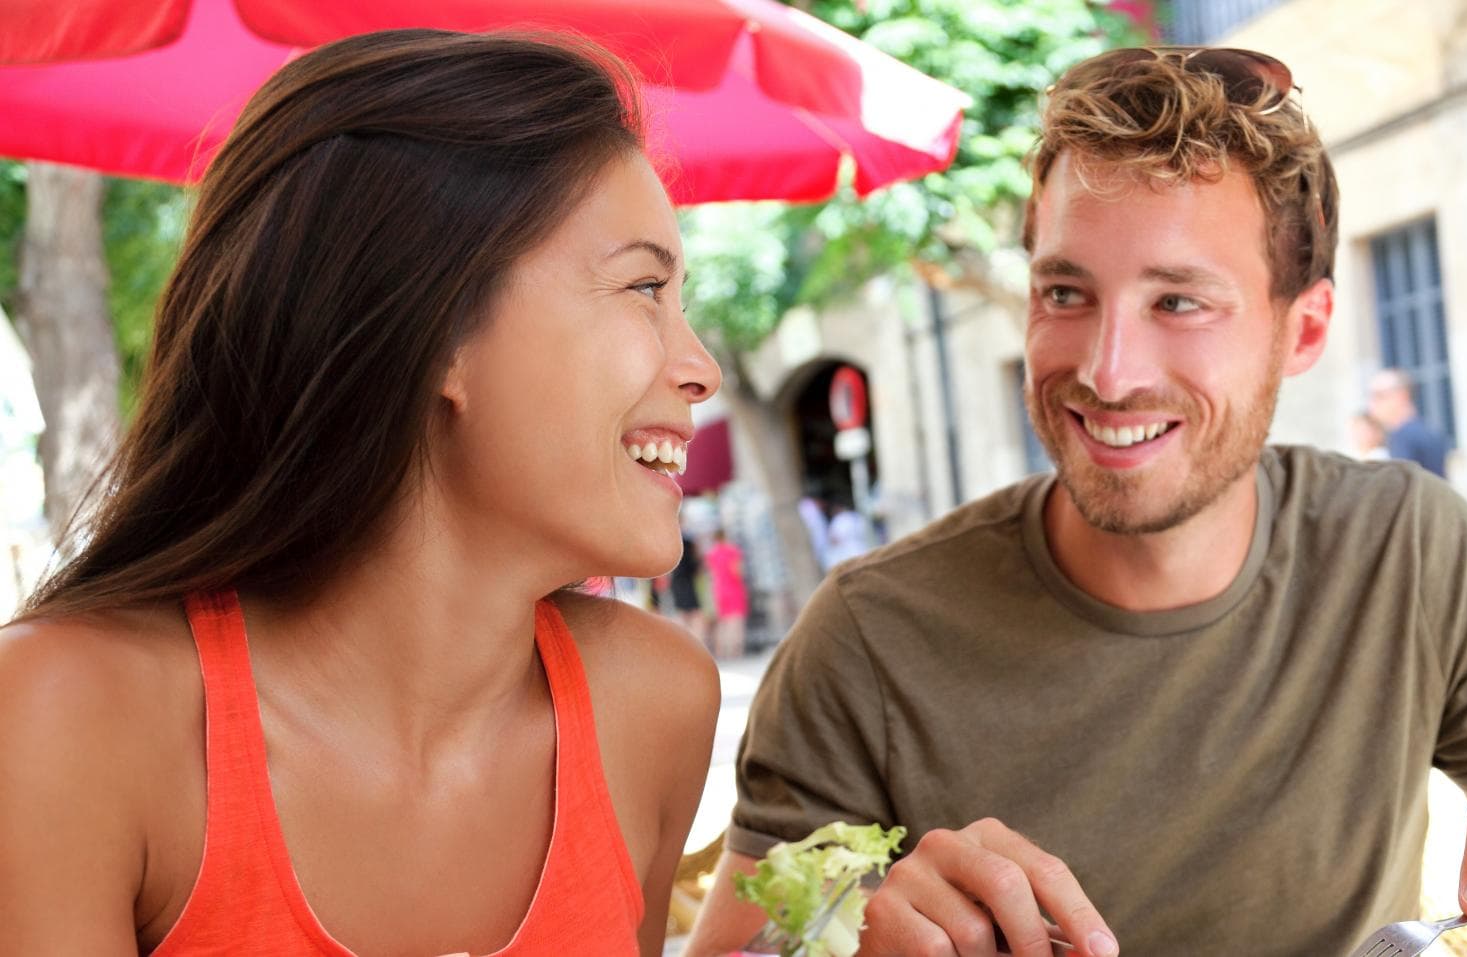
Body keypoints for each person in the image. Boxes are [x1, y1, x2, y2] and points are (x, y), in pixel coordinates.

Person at [687, 44, 1467, 957]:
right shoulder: (868, 637)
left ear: (1300, 332)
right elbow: (741, 947)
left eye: (1177, 302)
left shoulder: (1407, 550)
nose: (1106, 367)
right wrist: (850, 943)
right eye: (1064, 293)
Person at [0, 31, 723, 953]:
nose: (698, 368)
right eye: (645, 287)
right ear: (438, 331)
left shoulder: (654, 703)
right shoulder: (69, 718)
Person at [1369, 367, 1451, 478]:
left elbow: (1400, 486)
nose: (1372, 404)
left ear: (1402, 395)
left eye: (1379, 396)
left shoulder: (1403, 437)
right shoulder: (1426, 430)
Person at [706, 530, 749, 659]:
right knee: (736, 621)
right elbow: (736, 571)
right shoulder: (733, 551)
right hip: (734, 588)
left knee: (723, 622)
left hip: (719, 590)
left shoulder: (711, 553)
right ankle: (736, 651)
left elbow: (711, 574)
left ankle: (722, 651)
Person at [822, 499, 877, 568]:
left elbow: (834, 539)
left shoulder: (838, 520)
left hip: (848, 553)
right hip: (862, 548)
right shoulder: (856, 516)